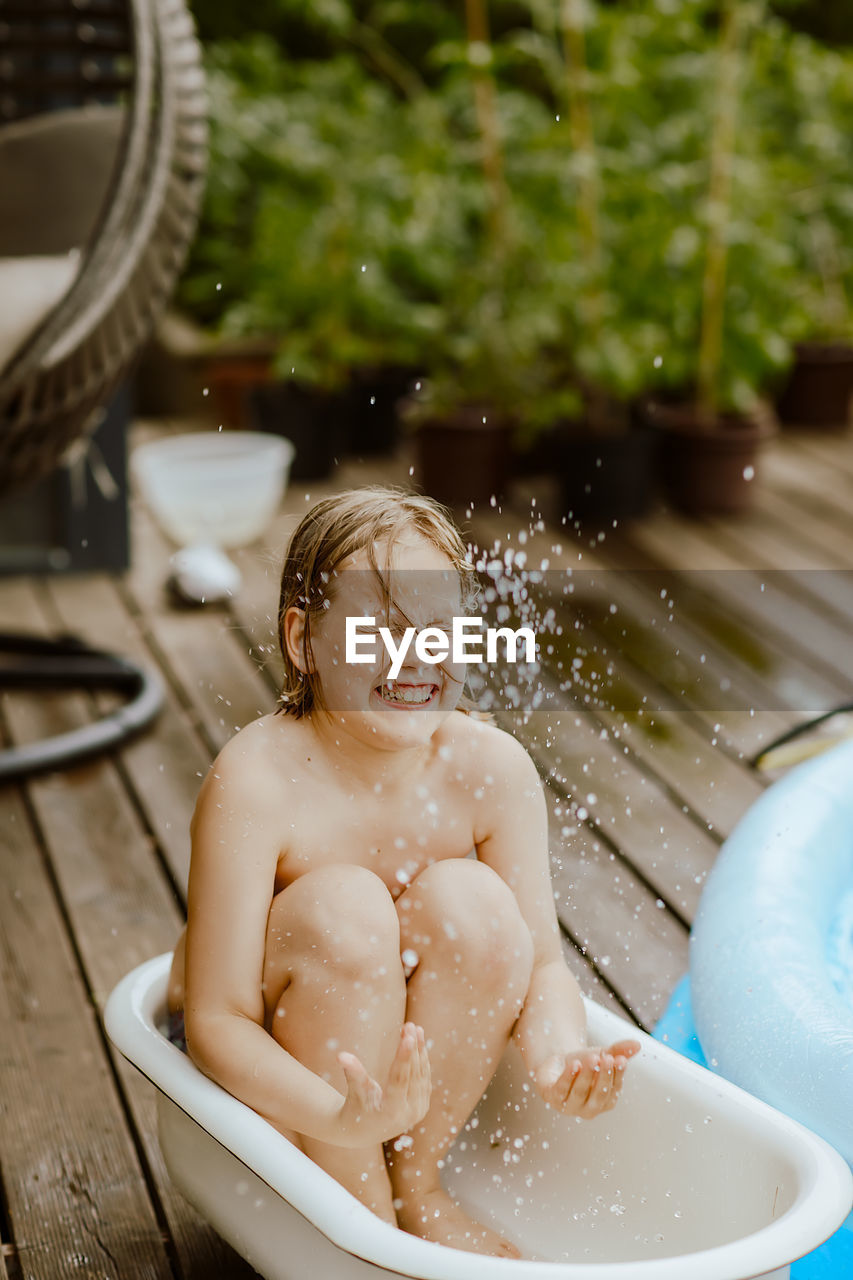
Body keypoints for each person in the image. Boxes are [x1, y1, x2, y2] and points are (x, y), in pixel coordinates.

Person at [168, 485, 640, 1259]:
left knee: (481, 910)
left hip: (378, 1073)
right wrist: (332, 1115)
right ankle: (362, 1216)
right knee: (347, 910)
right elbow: (217, 1022)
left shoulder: (487, 768)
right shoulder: (257, 781)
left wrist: (556, 1057)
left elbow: (545, 966)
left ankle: (413, 1185)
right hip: (270, 1081)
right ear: (303, 642)